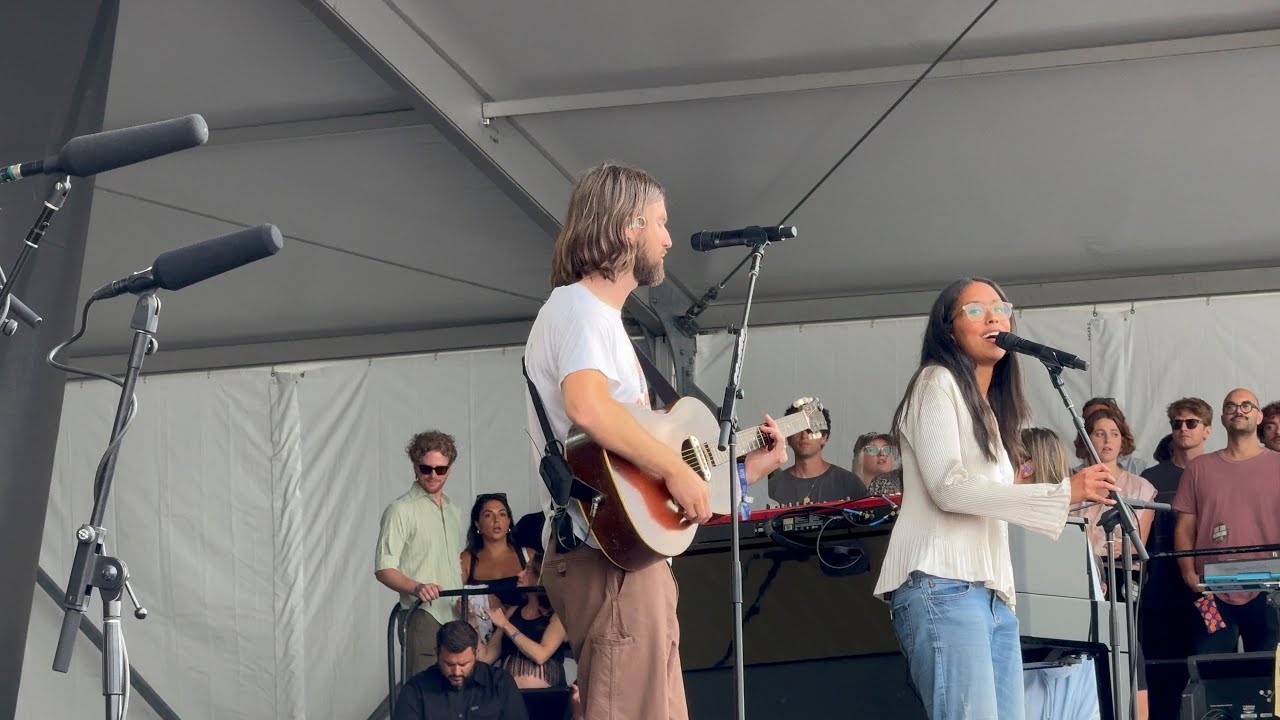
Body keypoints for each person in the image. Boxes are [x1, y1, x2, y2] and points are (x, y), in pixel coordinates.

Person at [522, 163, 788, 720]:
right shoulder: (579, 308)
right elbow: (588, 408)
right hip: (607, 565)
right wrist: (672, 467)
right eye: (661, 224)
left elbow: (638, 473)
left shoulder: (600, 321)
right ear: (628, 226)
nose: (669, 239)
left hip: (625, 560)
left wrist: (745, 472)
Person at [872, 277, 1118, 720]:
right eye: (974, 310)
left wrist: (1064, 496)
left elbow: (989, 496)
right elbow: (948, 487)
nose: (993, 317)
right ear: (948, 330)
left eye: (1001, 308)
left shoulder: (988, 409)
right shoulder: (935, 382)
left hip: (991, 596)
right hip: (943, 585)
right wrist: (1062, 492)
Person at [1173, 388, 1280, 654]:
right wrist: (1188, 573)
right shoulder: (1199, 468)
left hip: (1271, 591)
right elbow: (1185, 527)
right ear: (1222, 418)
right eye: (1231, 407)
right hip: (1210, 590)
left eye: (1246, 406)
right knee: (1211, 670)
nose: (1238, 411)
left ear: (1258, 417)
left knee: (1270, 676)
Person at [1140, 397, 1212, 720]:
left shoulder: (1218, 471)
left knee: (1210, 663)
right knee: (1162, 673)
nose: (1183, 429)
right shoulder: (1151, 476)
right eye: (1176, 423)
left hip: (1209, 590)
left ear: (1207, 430)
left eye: (1191, 423)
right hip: (1162, 589)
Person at [376, 430, 464, 677]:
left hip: (456, 613)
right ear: (415, 467)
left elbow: (451, 563)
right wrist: (417, 587)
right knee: (425, 690)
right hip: (422, 614)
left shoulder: (453, 510)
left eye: (440, 469)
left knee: (457, 694)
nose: (433, 475)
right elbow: (384, 568)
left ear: (451, 468)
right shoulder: (400, 510)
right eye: (426, 469)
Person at [1073, 408, 1156, 579]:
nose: (1107, 440)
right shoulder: (1074, 483)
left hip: (1120, 575)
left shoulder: (1141, 488)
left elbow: (1138, 546)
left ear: (1122, 441)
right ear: (1086, 439)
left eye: (1114, 434)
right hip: (1076, 571)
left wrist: (1124, 548)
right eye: (1099, 434)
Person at [393, 620, 528, 720]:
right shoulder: (416, 690)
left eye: (464, 664)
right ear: (437, 653)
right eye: (449, 664)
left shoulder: (500, 683)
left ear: (476, 653)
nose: (457, 672)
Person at [479, 553, 569, 688]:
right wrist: (471, 621)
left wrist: (506, 625)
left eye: (527, 570)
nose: (519, 574)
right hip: (510, 697)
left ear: (540, 576)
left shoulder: (557, 615)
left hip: (547, 698)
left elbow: (541, 655)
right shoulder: (513, 611)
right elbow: (486, 657)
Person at [767, 401, 866, 505]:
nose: (804, 435)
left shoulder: (849, 483)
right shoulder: (774, 486)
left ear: (824, 438)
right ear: (788, 439)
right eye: (797, 429)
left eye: (811, 428)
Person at [461, 493, 537, 609]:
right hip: (477, 626)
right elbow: (455, 600)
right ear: (477, 524)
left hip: (522, 626)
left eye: (502, 514)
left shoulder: (529, 556)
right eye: (488, 515)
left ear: (509, 521)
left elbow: (543, 598)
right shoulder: (466, 559)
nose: (496, 520)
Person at [1071, 397, 1149, 475]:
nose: (1107, 439)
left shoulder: (1139, 469)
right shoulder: (1073, 476)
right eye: (1091, 419)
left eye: (1114, 434)